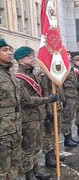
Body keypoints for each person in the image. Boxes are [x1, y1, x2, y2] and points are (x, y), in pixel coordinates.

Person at [14, 46, 58, 180]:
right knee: (28, 148)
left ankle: (36, 170)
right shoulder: (19, 78)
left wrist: (46, 111)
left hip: (38, 116)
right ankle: (29, 174)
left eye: (31, 56)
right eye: (28, 57)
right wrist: (48, 100)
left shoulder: (33, 74)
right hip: (28, 119)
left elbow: (41, 90)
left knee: (37, 146)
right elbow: (27, 100)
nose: (31, 58)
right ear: (20, 59)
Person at [0, 38, 24, 179]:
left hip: (14, 128)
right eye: (5, 50)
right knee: (3, 169)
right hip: (2, 132)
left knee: (15, 165)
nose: (9, 53)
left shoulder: (10, 74)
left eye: (10, 50)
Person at [39, 72, 65, 168]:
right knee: (48, 134)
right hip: (49, 108)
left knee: (55, 133)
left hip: (57, 107)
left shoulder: (54, 73)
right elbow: (44, 93)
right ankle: (48, 157)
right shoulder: (43, 76)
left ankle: (54, 153)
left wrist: (63, 99)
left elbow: (58, 88)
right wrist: (48, 112)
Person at [61, 50, 79, 147]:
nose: (69, 56)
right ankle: (66, 138)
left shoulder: (70, 67)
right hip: (67, 96)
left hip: (73, 95)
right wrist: (63, 98)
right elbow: (60, 84)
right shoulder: (62, 67)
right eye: (66, 54)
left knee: (70, 117)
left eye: (69, 54)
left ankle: (70, 136)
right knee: (66, 119)